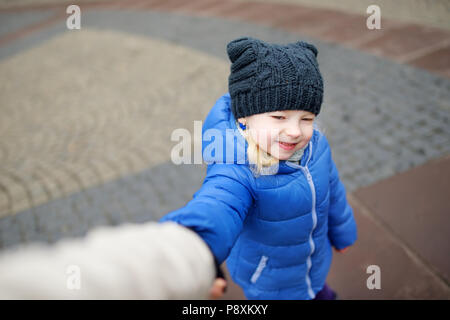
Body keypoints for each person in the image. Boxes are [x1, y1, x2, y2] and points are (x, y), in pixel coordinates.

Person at [160, 36, 358, 300]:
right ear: (244, 116)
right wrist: (191, 250)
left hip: (312, 266)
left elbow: (332, 189)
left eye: (307, 118)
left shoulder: (317, 146)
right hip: (269, 283)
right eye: (279, 117)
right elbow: (219, 205)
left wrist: (342, 231)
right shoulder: (238, 169)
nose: (294, 131)